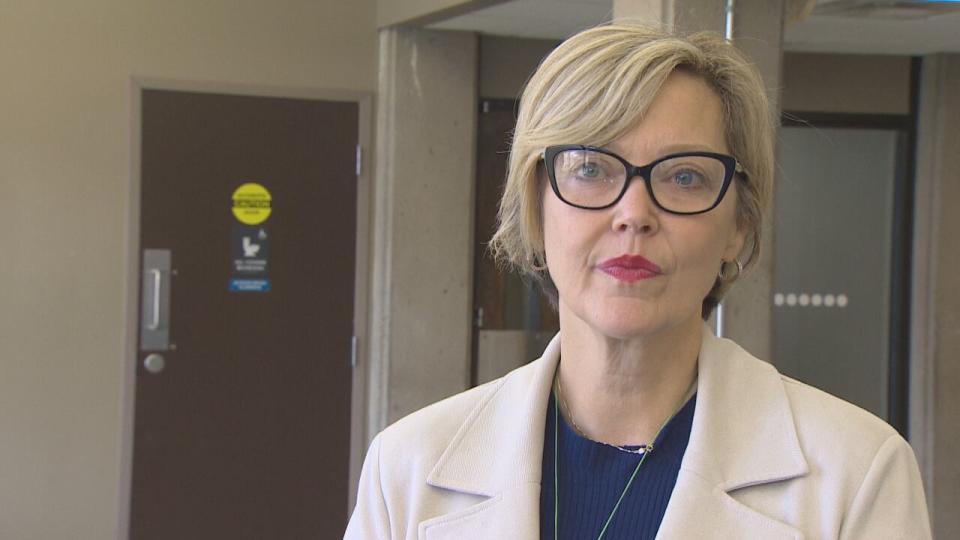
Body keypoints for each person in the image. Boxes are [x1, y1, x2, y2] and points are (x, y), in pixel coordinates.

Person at [344, 23, 931, 539]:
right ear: (535, 206)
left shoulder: (856, 472)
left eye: (683, 177)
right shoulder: (408, 466)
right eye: (592, 169)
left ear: (738, 226)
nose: (634, 213)